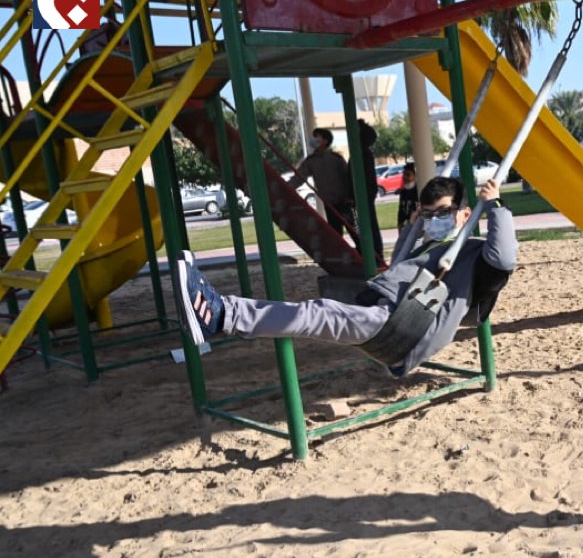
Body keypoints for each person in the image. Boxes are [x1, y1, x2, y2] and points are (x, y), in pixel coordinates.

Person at [173, 177, 516, 376]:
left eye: (442, 213)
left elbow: (503, 258)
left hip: (407, 326)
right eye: (427, 214)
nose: (433, 220)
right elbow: (395, 267)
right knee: (317, 310)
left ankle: (220, 315)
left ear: (465, 214)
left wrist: (496, 206)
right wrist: (413, 228)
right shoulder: (429, 245)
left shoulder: (470, 252)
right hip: (388, 313)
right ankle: (221, 315)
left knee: (316, 313)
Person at [290, 128, 354, 237]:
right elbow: (298, 178)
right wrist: (287, 187)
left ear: (325, 141)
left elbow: (348, 178)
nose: (313, 139)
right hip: (329, 204)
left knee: (355, 232)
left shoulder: (336, 158)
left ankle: (362, 248)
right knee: (336, 236)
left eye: (317, 136)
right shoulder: (311, 161)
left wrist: (350, 197)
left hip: (345, 202)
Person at [356, 118, 385, 265]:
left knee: (369, 227)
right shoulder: (364, 153)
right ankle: (374, 255)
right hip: (366, 196)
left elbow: (365, 177)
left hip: (364, 197)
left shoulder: (362, 155)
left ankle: (375, 256)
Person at [396, 162, 418, 233]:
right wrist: (400, 225)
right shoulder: (403, 192)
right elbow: (401, 211)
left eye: (408, 175)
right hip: (408, 226)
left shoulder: (419, 191)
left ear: (415, 176)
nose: (404, 177)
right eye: (404, 174)